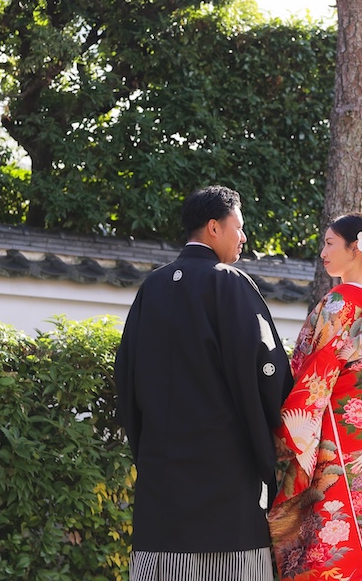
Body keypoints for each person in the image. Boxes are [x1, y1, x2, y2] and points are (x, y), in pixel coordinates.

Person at [116, 185, 295, 581]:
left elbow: (125, 376)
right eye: (239, 227)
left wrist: (147, 447)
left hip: (162, 471)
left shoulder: (152, 288)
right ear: (214, 227)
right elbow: (268, 372)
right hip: (225, 471)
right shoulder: (229, 283)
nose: (243, 237)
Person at [268, 213, 362, 581]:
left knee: (326, 549)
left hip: (333, 452)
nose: (322, 252)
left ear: (355, 249)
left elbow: (305, 373)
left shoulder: (338, 306)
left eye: (329, 244)